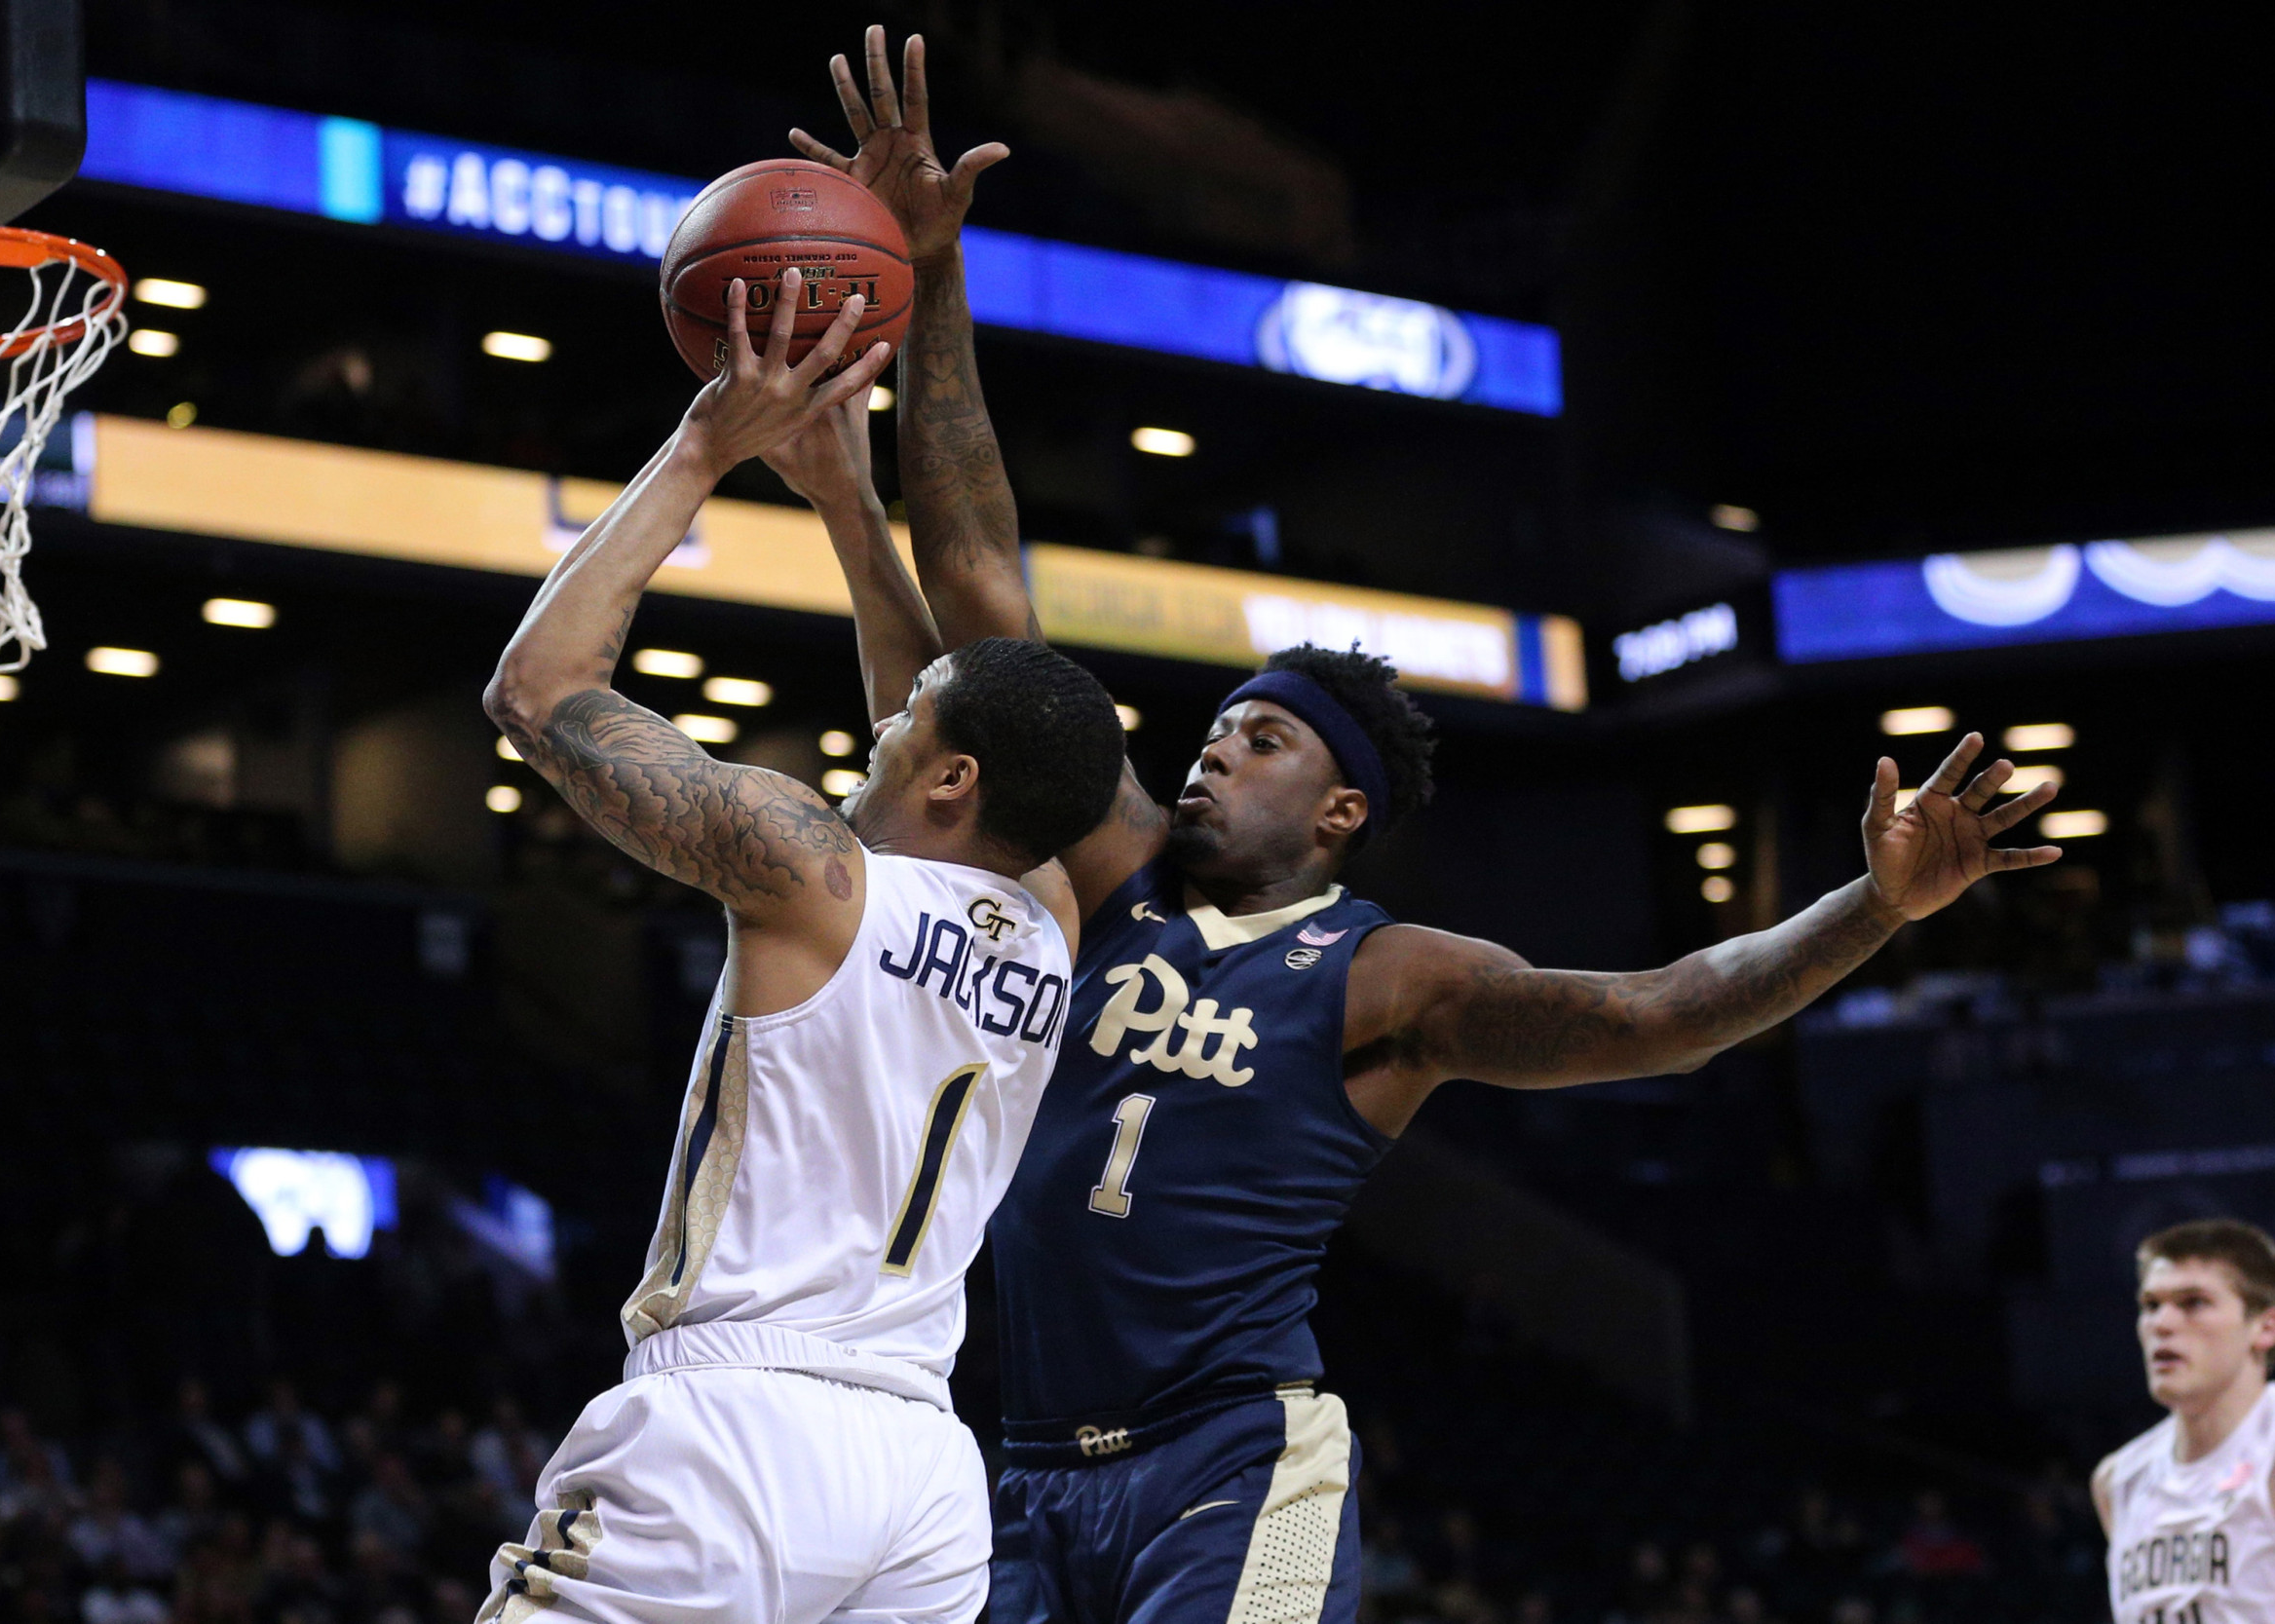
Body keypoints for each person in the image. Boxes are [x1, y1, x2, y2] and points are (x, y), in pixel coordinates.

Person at [793, 28, 2067, 1621]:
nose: (1205, 759)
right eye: (1208, 732)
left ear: (1335, 809)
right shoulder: (1107, 870)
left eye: (1250, 741)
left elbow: (1666, 1015)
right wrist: (935, 275)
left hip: (1233, 1459)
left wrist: (1872, 908)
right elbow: (983, 600)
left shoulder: (1386, 979)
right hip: (1019, 1464)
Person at [474, 271, 1128, 1624]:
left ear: (950, 781)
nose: (875, 730)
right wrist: (840, 499)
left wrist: (709, 440)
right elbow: (948, 721)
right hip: (921, 1474)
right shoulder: (1052, 916)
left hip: (732, 1431)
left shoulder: (809, 870)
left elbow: (535, 690)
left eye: (901, 735)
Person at [2094, 1219, 2275, 1622]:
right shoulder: (2118, 1480)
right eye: (2151, 1305)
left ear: (2265, 1327)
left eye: (2193, 1302)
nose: (2162, 1323)